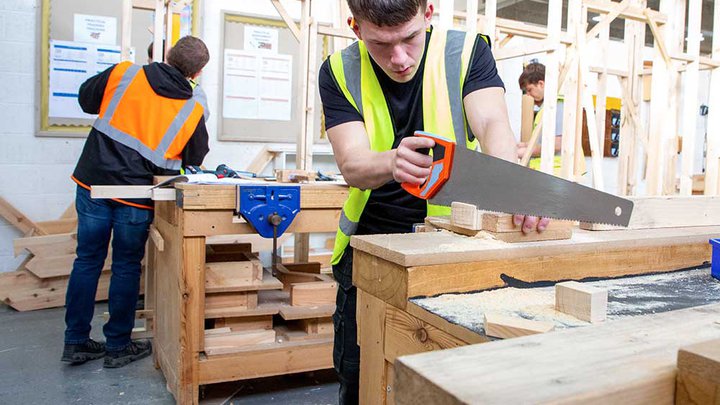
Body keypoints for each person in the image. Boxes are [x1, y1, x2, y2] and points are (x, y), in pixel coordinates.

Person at [318, 1, 549, 403]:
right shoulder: (338, 70)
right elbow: (352, 164)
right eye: (381, 45)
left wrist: (514, 184)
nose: (400, 58)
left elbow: (493, 122)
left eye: (409, 38)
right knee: (360, 383)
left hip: (453, 248)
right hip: (370, 252)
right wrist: (391, 161)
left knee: (451, 384)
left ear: (428, 13)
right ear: (355, 27)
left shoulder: (467, 51)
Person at [62, 35, 210, 368]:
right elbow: (197, 155)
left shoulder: (125, 73)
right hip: (136, 196)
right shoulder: (192, 107)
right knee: (127, 267)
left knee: (86, 260)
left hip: (93, 184)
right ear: (197, 74)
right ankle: (117, 347)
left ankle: (75, 342)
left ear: (167, 54)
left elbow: (86, 98)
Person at [516, 62, 563, 168]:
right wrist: (524, 145)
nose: (528, 95)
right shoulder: (546, 108)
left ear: (541, 84)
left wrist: (525, 152)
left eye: (529, 90)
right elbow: (546, 141)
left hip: (558, 173)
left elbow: (558, 144)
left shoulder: (558, 105)